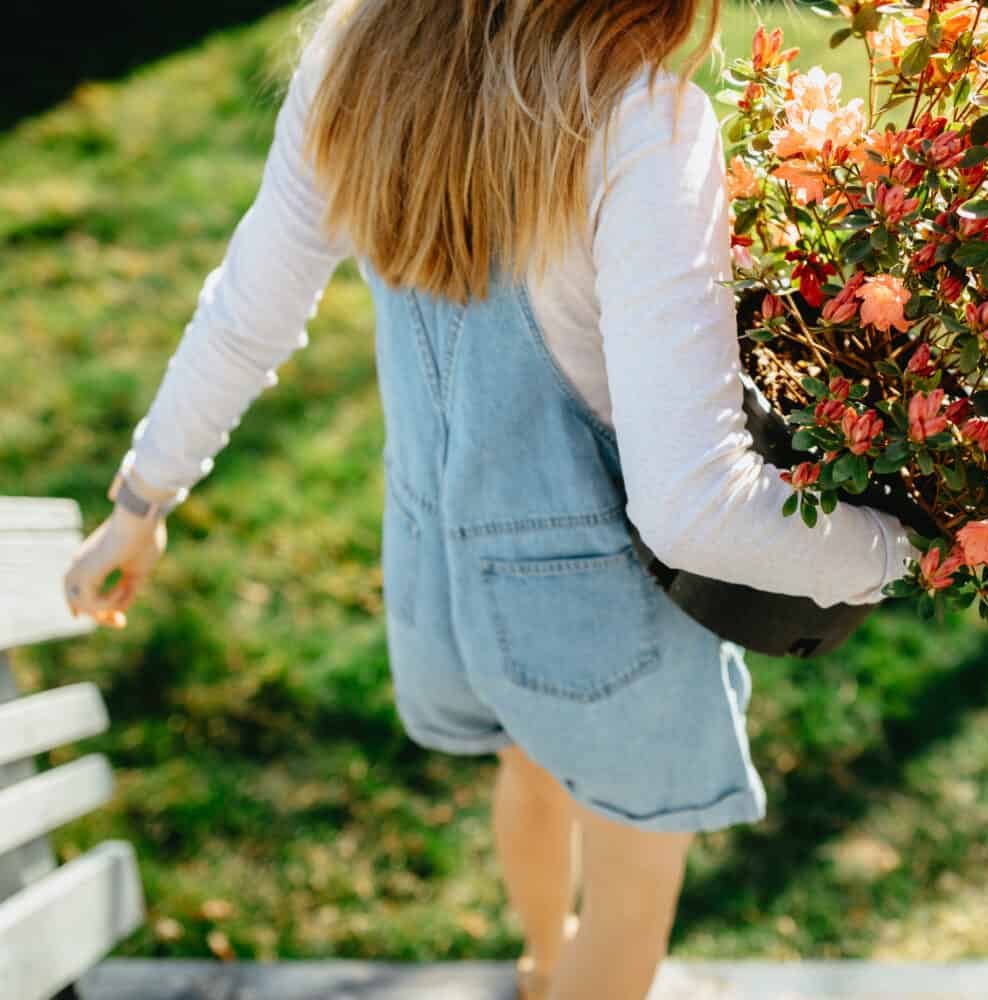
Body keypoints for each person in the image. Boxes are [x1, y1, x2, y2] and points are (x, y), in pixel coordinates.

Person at [62, 1, 914, 997]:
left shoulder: (357, 53)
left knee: (532, 751)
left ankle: (544, 962)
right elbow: (692, 506)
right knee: (632, 895)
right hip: (605, 617)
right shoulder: (638, 121)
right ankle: (570, 969)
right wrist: (902, 551)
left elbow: (248, 311)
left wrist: (142, 496)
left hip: (447, 576)